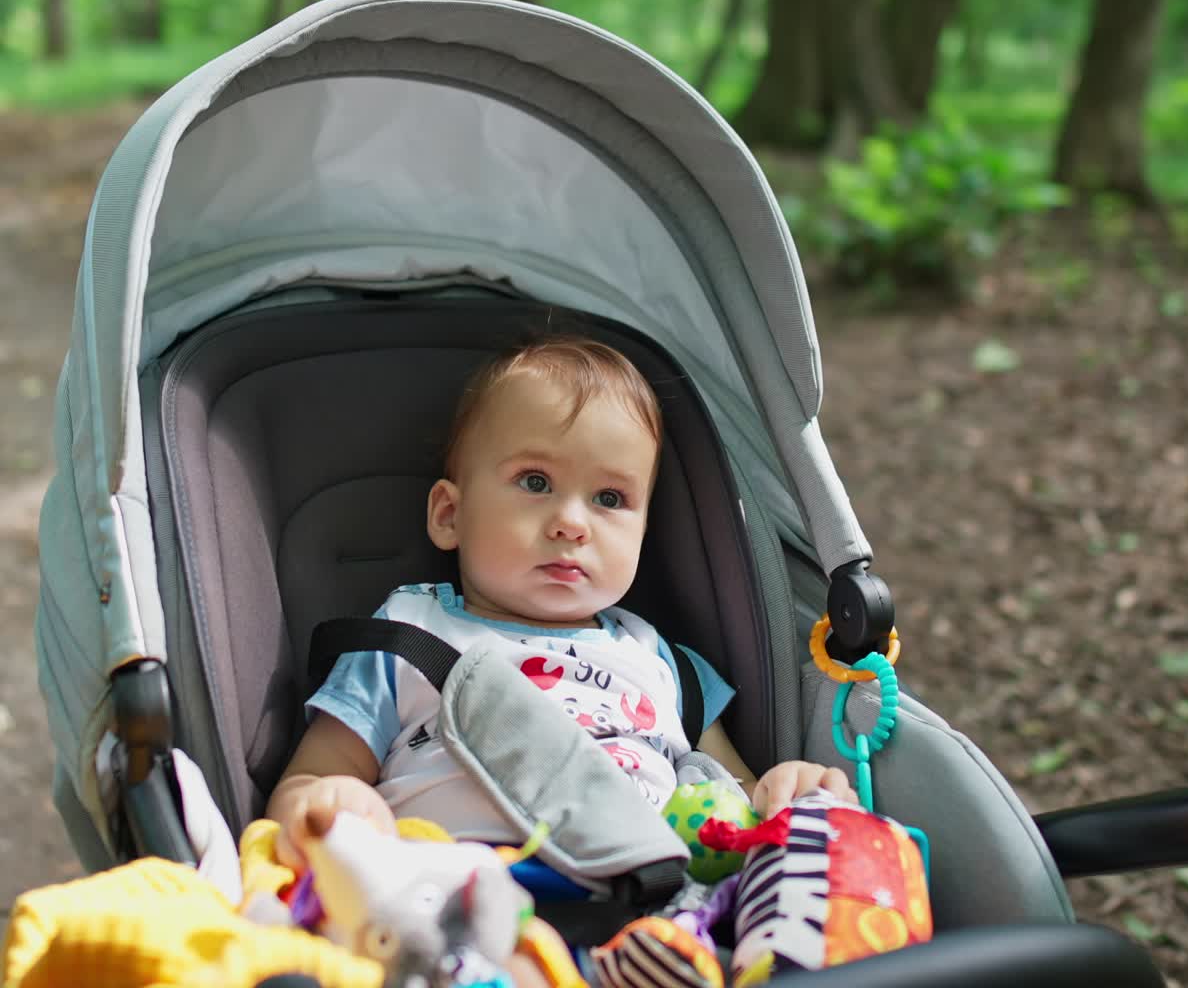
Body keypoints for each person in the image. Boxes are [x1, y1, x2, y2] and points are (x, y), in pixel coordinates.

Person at [266, 335, 858, 981]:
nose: (572, 522)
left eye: (610, 499)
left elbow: (733, 794)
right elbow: (309, 780)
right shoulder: (407, 632)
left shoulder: (661, 660)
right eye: (536, 482)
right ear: (449, 515)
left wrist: (781, 791)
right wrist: (332, 807)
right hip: (463, 893)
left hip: (656, 905)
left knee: (819, 846)